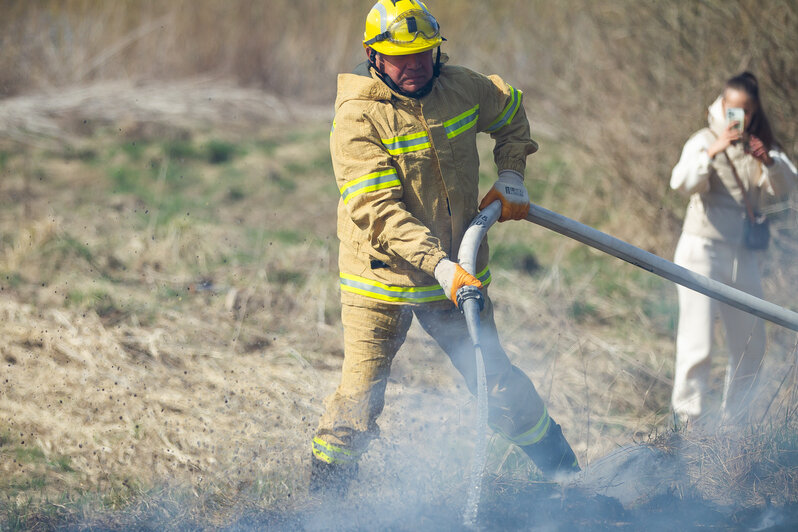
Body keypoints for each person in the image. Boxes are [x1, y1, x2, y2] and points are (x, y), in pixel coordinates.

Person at [310, 0, 579, 495]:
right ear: (373, 56)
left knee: (497, 384)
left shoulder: (462, 88)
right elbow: (379, 212)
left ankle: (568, 479)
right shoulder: (357, 119)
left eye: (424, 53)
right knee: (358, 401)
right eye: (400, 57)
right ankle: (322, 510)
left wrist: (512, 173)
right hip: (382, 280)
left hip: (457, 277)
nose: (414, 66)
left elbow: (511, 112)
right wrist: (439, 265)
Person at [669, 71, 796, 426]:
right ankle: (688, 424)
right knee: (698, 343)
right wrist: (712, 151)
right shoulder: (703, 139)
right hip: (702, 249)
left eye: (745, 111)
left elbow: (788, 188)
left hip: (743, 256)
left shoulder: (761, 147)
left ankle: (735, 427)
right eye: (732, 109)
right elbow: (681, 182)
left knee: (751, 343)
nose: (737, 117)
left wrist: (768, 161)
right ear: (722, 105)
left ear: (754, 111)